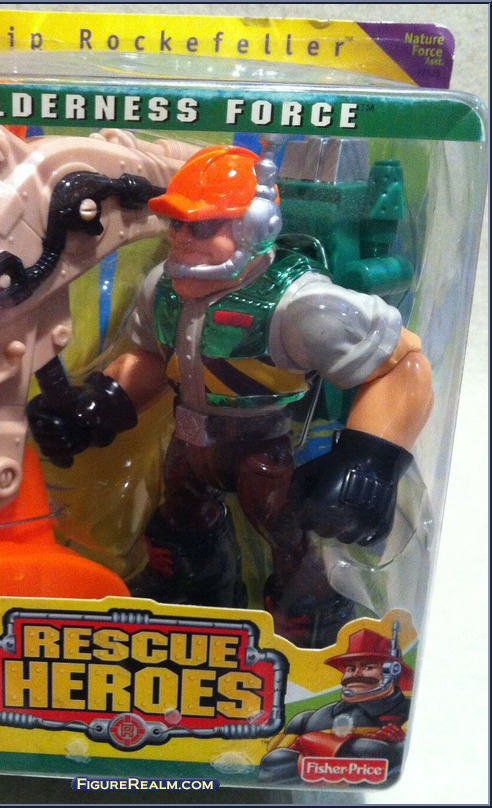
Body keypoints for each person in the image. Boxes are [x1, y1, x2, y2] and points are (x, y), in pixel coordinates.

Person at [27, 145, 433, 647]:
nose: (181, 239)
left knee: (287, 537)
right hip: (188, 444)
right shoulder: (163, 290)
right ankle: (193, 599)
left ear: (257, 227)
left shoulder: (300, 305)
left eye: (202, 227)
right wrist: (98, 405)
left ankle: (309, 620)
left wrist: (369, 464)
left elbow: (404, 365)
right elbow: (151, 360)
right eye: (177, 224)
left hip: (258, 449)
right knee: (178, 529)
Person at [257, 624, 412, 784]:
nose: (355, 675)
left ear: (392, 672)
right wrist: (353, 746)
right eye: (350, 669)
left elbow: (393, 761)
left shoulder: (410, 712)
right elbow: (272, 764)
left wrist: (312, 747)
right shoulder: (309, 719)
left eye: (368, 667)